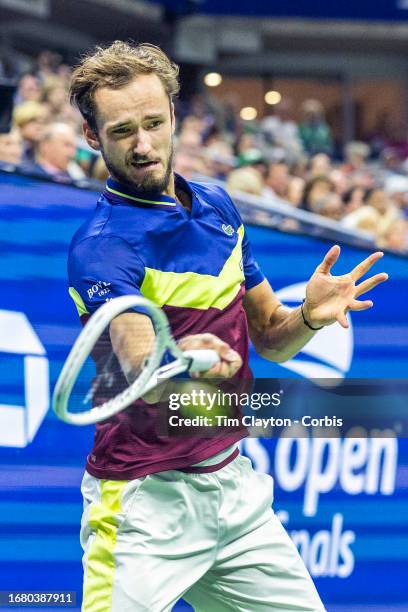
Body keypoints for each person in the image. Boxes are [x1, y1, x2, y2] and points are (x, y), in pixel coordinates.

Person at [67, 41, 388, 612]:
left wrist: (309, 316)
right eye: (121, 133)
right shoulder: (102, 247)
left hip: (234, 493)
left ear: (173, 114)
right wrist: (183, 353)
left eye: (153, 124)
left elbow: (271, 337)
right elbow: (141, 362)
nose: (143, 147)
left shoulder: (218, 208)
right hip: (144, 505)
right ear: (93, 137)